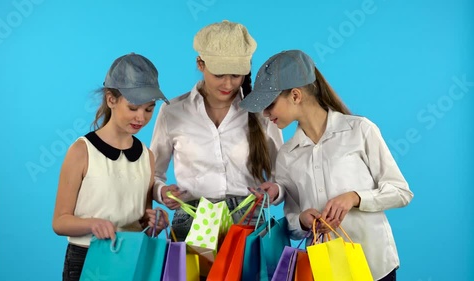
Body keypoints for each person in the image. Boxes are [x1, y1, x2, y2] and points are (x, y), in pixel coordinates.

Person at [240, 50, 414, 281]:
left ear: (295, 95)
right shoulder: (287, 155)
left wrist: (355, 197)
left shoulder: (360, 130)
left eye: (270, 104)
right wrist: (302, 219)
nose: (265, 113)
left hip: (375, 266)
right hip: (325, 270)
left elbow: (401, 192)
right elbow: (292, 224)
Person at [150, 20, 283, 241]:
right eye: (219, 74)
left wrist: (275, 191)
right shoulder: (172, 112)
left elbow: (283, 172)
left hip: (249, 220)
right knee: (195, 276)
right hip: (193, 221)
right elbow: (152, 174)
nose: (228, 84)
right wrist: (162, 192)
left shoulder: (261, 113)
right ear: (200, 64)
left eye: (236, 75)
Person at [52, 53, 170, 281]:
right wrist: (93, 224)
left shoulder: (147, 156)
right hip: (87, 258)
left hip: (132, 258)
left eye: (149, 109)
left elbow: (142, 221)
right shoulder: (82, 151)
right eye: (133, 107)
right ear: (111, 99)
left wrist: (155, 221)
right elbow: (60, 221)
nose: (141, 117)